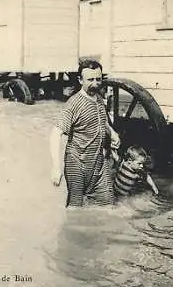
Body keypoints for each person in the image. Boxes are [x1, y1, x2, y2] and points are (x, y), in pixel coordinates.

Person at [50, 59, 120, 207]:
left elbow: (102, 120)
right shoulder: (74, 103)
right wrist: (56, 167)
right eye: (90, 80)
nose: (95, 83)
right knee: (75, 209)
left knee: (109, 206)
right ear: (80, 80)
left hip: (99, 164)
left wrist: (112, 133)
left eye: (98, 79)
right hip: (77, 164)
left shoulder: (99, 100)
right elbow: (56, 133)